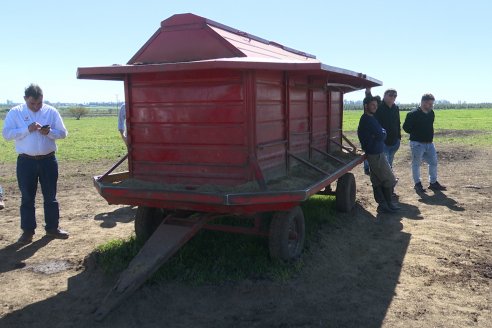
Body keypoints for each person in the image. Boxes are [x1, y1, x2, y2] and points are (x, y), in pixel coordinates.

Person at [2, 84, 69, 244]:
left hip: (48, 160)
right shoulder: (15, 112)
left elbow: (64, 133)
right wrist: (27, 129)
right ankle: (27, 232)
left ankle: (52, 228)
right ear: (25, 99)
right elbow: (6, 134)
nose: (36, 106)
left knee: (51, 197)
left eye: (39, 103)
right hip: (26, 161)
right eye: (32, 103)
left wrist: (50, 132)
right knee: (27, 197)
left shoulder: (51, 111)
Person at [358, 95, 400, 213]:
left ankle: (384, 205)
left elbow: (381, 133)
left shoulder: (371, 118)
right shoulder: (367, 119)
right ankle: (388, 203)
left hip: (376, 152)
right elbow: (382, 134)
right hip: (375, 154)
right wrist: (381, 133)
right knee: (389, 179)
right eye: (372, 105)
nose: (375, 107)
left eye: (376, 105)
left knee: (377, 180)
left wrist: (380, 133)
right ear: (366, 106)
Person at [402, 93, 446, 193]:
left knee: (433, 162)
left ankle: (433, 183)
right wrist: (417, 132)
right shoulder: (412, 114)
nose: (431, 106)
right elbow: (406, 128)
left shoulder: (431, 113)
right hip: (417, 143)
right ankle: (417, 184)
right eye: (430, 104)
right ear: (423, 102)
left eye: (432, 104)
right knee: (416, 164)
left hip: (430, 143)